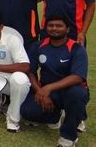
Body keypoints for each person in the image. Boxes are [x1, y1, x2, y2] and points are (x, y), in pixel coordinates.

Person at [21, 15, 89, 147]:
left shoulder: (76, 48)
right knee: (27, 113)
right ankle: (55, 116)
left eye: (59, 26)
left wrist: (48, 88)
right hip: (47, 91)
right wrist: (40, 90)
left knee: (77, 94)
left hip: (70, 91)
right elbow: (30, 71)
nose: (54, 28)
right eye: (51, 26)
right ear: (46, 28)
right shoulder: (39, 46)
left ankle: (68, 137)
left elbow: (77, 77)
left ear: (67, 29)